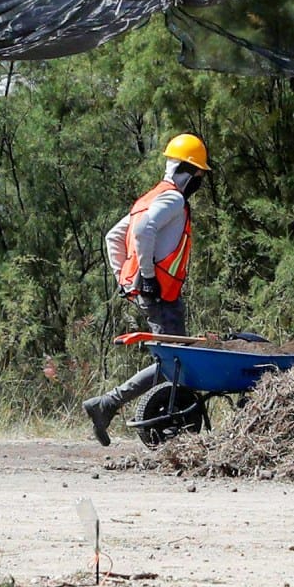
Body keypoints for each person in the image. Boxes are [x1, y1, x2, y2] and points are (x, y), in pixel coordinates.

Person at [83, 133, 210, 445]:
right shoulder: (173, 199)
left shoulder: (150, 197)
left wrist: (126, 280)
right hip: (161, 294)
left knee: (172, 361)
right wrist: (149, 276)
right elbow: (142, 231)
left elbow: (114, 236)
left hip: (152, 293)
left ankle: (108, 404)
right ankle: (107, 404)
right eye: (198, 175)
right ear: (187, 170)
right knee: (175, 363)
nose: (199, 182)